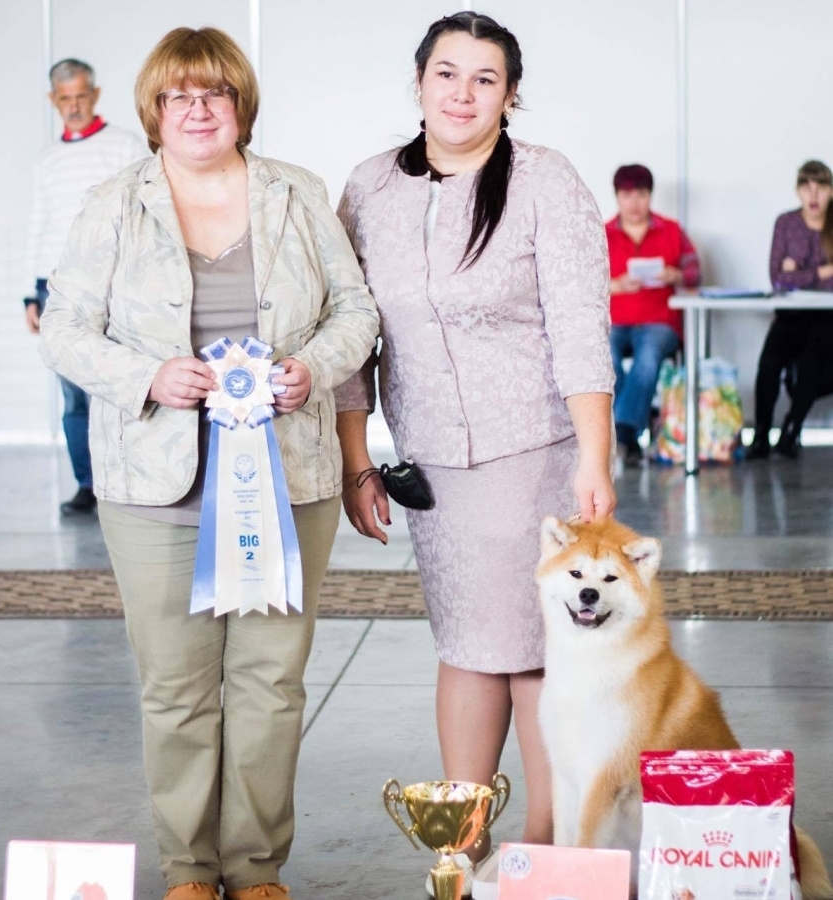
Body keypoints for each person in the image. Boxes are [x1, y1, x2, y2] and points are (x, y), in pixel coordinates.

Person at [39, 27, 378, 900]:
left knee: (271, 686)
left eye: (215, 93)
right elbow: (67, 331)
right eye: (178, 95)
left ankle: (256, 870)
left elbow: (358, 311)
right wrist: (147, 375)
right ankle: (190, 872)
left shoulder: (298, 195)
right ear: (154, 112)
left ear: (240, 106)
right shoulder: (114, 203)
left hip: (291, 482)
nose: (198, 108)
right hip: (153, 493)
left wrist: (317, 367)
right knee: (176, 692)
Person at [333, 11, 616, 897]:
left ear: (510, 93)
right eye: (447, 74)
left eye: (484, 78)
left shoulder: (545, 180)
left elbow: (581, 326)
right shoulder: (370, 186)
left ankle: (544, 841)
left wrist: (595, 459)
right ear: (418, 84)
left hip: (533, 448)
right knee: (463, 641)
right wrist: (357, 457)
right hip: (430, 465)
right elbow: (352, 333)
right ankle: (462, 845)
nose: (462, 93)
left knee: (532, 650)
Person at [23, 58, 147, 515]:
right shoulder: (48, 159)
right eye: (65, 99)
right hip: (57, 290)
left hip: (116, 285)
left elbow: (141, 211)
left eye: (81, 96)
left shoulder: (124, 146)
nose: (73, 106)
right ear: (54, 101)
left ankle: (131, 481)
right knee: (74, 395)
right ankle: (87, 486)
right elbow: (39, 226)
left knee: (123, 386)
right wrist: (31, 293)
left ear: (94, 95)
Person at [606, 164, 701, 466]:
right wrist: (616, 285)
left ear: (650, 196)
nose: (634, 203)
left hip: (660, 321)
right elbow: (582, 280)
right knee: (604, 355)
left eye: (641, 195)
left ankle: (621, 433)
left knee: (648, 356)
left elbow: (694, 272)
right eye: (627, 195)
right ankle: (628, 434)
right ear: (618, 197)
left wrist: (675, 274)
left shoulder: (671, 230)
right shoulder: (602, 233)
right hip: (615, 320)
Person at [746, 160, 833, 460]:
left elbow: (791, 276)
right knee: (769, 363)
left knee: (812, 364)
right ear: (798, 190)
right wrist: (822, 272)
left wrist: (799, 271)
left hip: (826, 316)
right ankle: (760, 433)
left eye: (821, 186)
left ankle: (791, 430)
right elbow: (779, 279)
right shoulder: (786, 223)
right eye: (806, 186)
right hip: (791, 313)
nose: (814, 194)